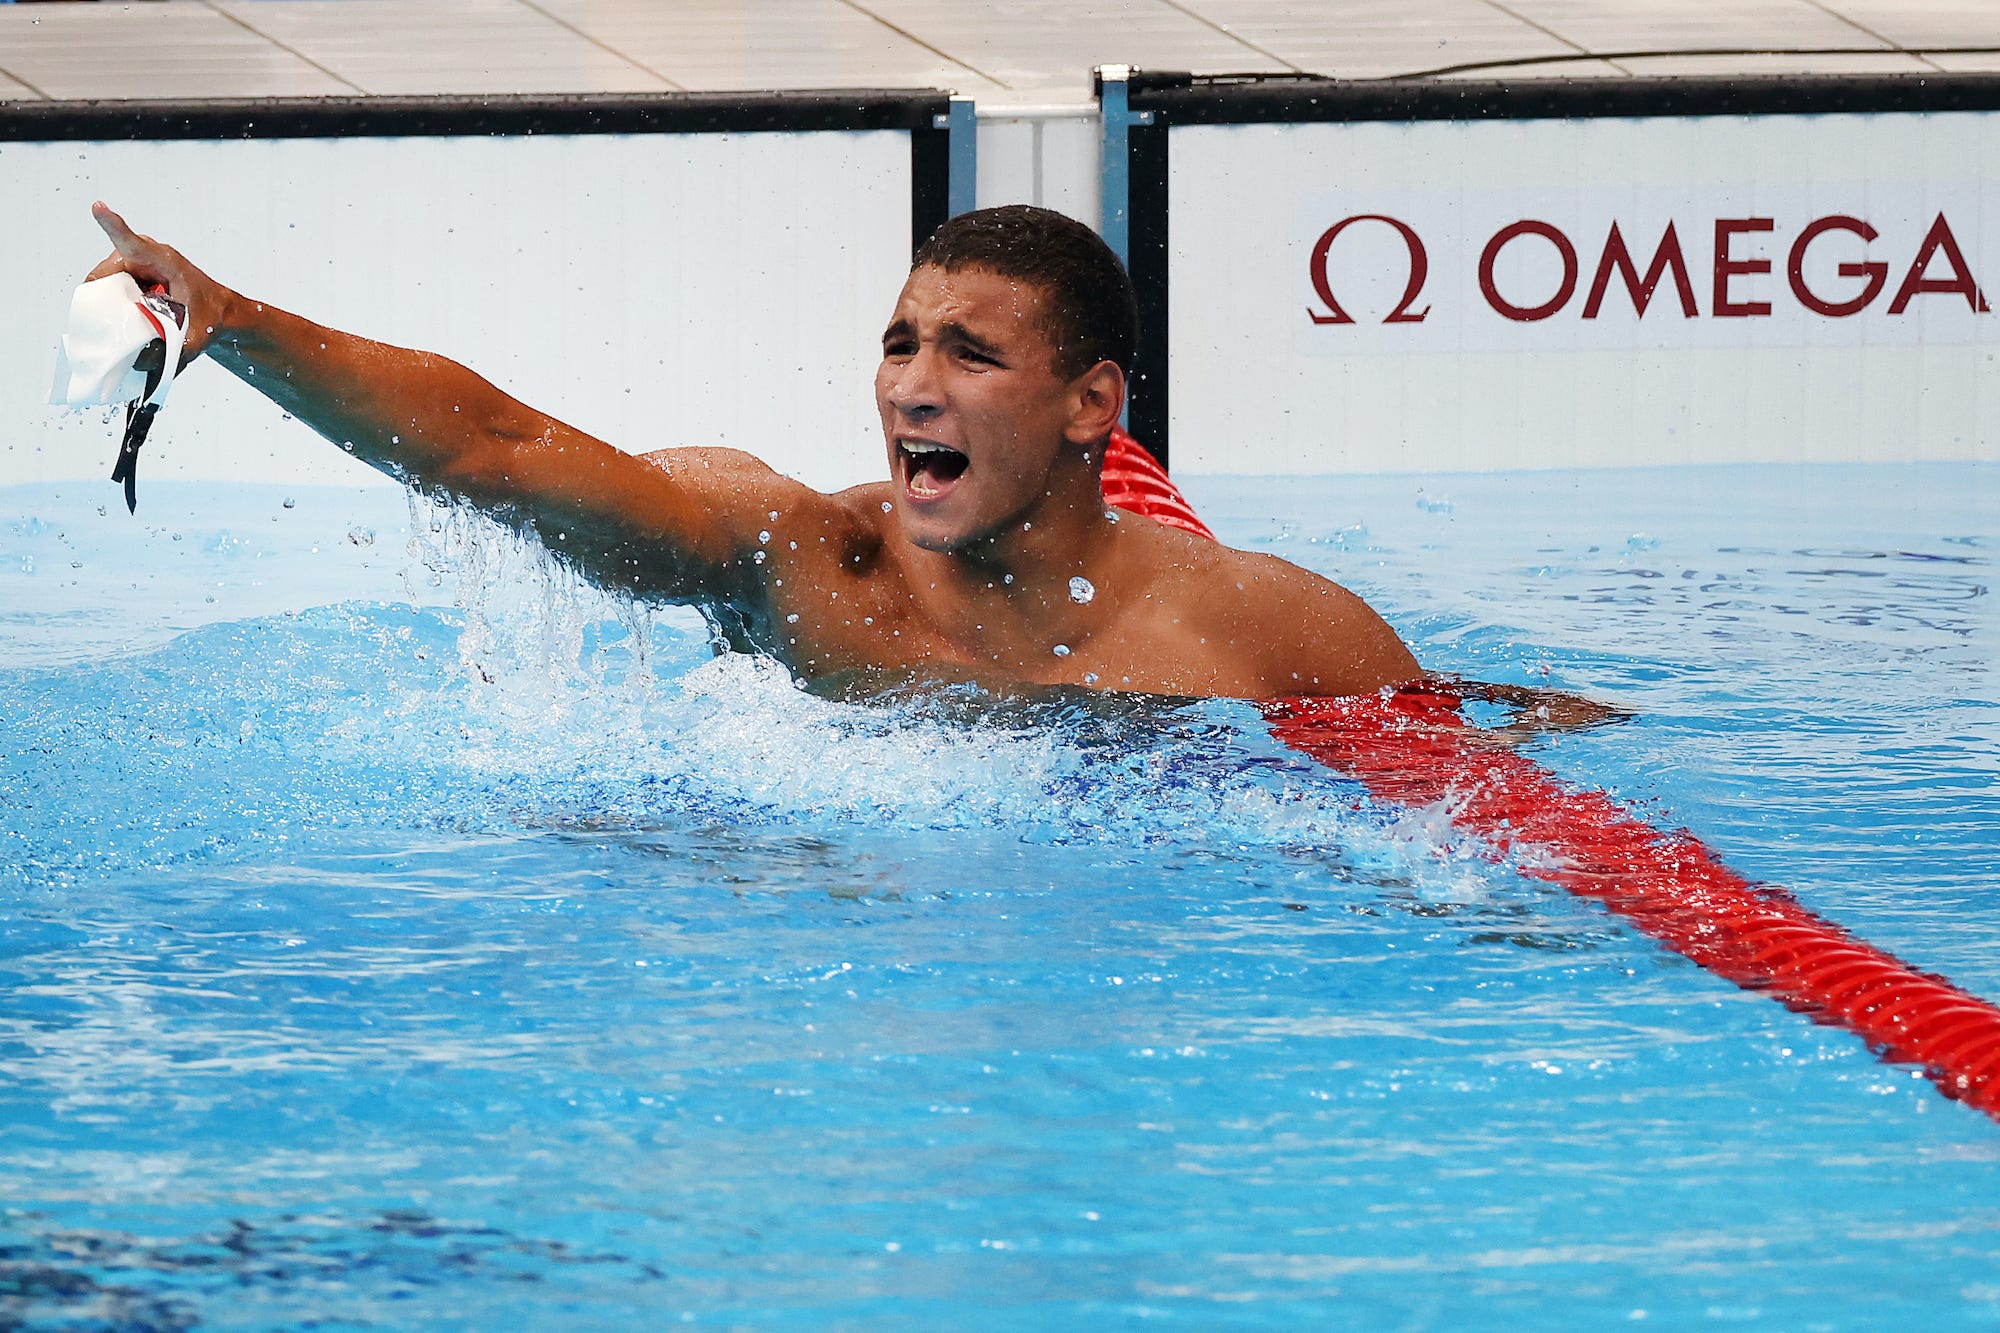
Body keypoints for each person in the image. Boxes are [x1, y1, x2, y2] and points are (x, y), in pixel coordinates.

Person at [85, 201, 1426, 702]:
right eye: (901, 344)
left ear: (1089, 400)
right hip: (1058, 495)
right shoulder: (802, 559)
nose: (910, 387)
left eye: (970, 353)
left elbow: (1488, 786)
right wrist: (241, 322)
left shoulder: (1257, 622)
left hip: (1111, 517)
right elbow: (495, 447)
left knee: (1133, 517)